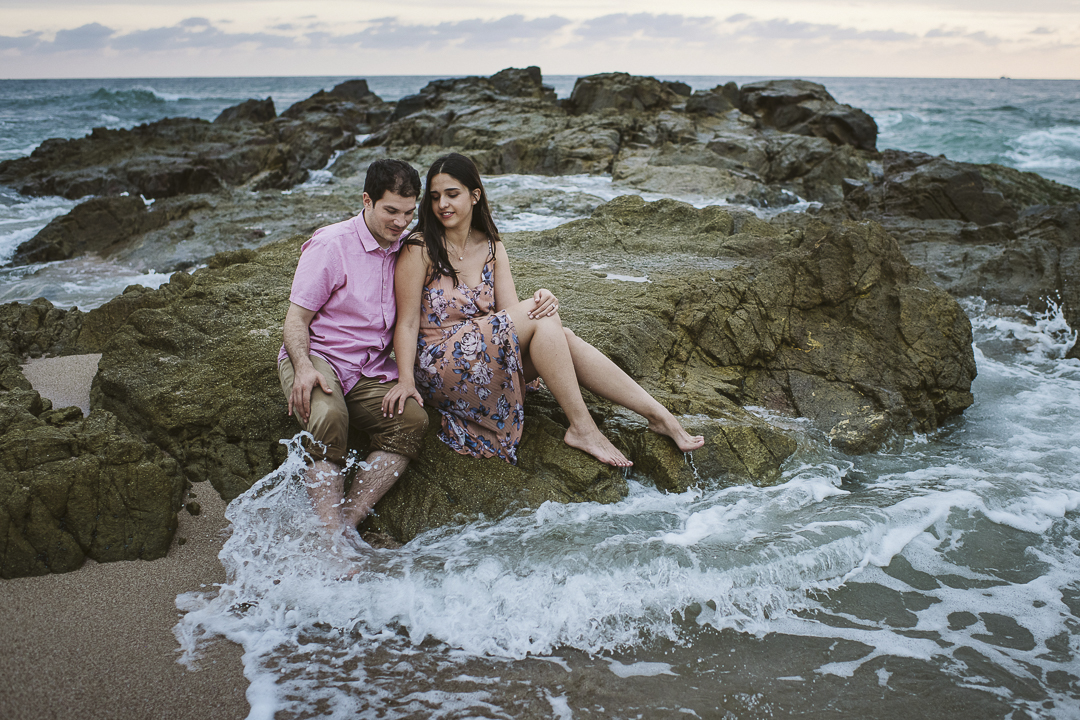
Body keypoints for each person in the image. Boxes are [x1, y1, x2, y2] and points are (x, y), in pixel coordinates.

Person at [383, 152, 704, 468]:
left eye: (452, 194)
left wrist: (541, 298)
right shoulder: (421, 247)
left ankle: (658, 416)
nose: (442, 205)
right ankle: (583, 427)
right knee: (545, 317)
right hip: (439, 366)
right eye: (436, 196)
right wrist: (406, 381)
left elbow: (509, 315)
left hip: (483, 357)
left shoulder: (492, 247)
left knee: (559, 334)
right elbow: (408, 323)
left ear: (475, 195)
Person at [278, 158, 428, 538]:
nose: (400, 222)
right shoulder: (331, 244)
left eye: (409, 213)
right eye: (391, 211)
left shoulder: (407, 250)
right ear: (367, 201)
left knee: (411, 420)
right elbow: (296, 320)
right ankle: (330, 545)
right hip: (319, 356)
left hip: (369, 368)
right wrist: (303, 367)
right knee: (328, 418)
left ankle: (343, 525)